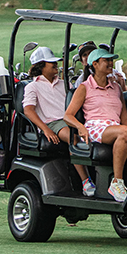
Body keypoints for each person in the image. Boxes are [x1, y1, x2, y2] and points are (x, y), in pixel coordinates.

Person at [64, 48, 127, 202]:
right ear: (95, 64)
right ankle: (116, 182)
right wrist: (80, 127)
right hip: (95, 128)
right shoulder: (84, 87)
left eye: (111, 60)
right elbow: (68, 115)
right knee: (123, 132)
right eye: (106, 60)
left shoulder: (116, 88)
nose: (110, 63)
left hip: (116, 128)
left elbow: (124, 117)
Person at [22, 46, 96, 197]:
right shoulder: (33, 86)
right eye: (51, 63)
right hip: (52, 123)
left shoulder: (64, 84)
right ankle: (85, 181)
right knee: (73, 138)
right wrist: (46, 130)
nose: (56, 65)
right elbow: (28, 110)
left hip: (69, 120)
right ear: (41, 66)